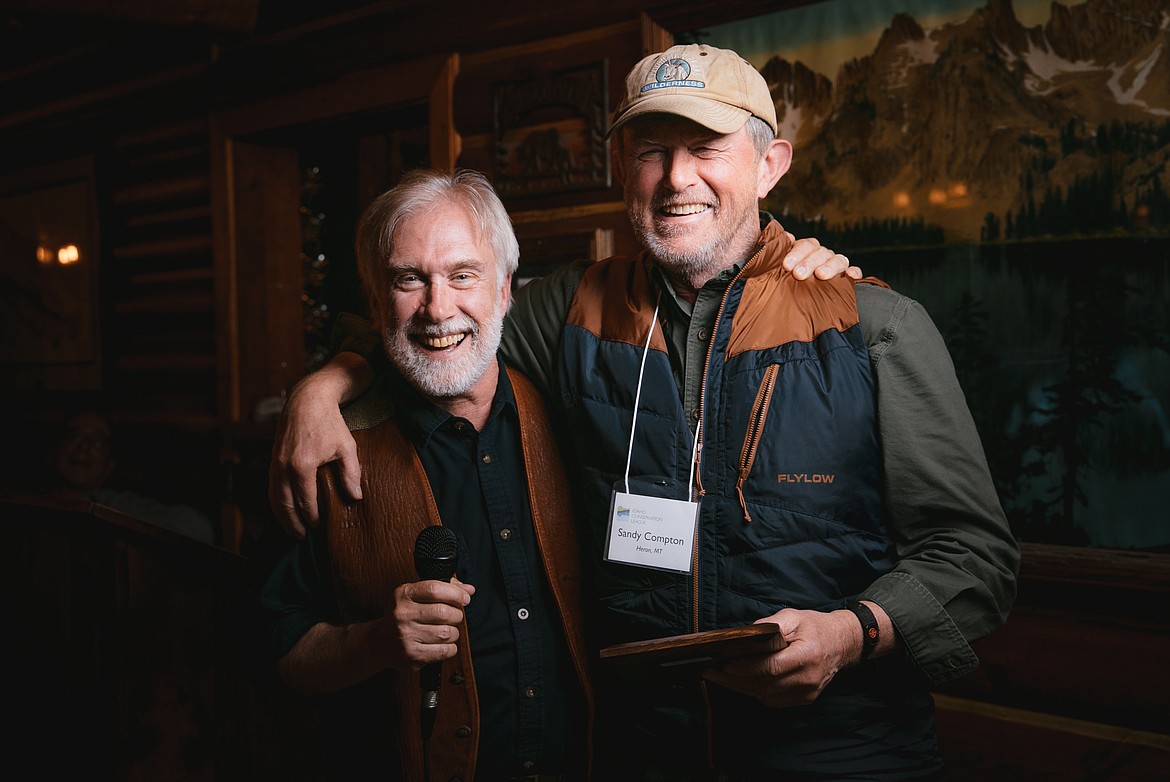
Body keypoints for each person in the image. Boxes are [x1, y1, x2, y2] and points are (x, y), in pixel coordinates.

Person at [269, 44, 1019, 780]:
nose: (675, 178)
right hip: (642, 752)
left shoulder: (873, 325)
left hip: (842, 754)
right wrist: (323, 387)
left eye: (704, 148)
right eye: (651, 151)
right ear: (623, 169)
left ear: (770, 165)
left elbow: (975, 560)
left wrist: (852, 633)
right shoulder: (568, 312)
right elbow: (440, 332)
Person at [259, 169, 596, 782]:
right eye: (408, 279)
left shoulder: (568, 409)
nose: (437, 309)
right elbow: (279, 654)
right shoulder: (327, 452)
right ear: (374, 300)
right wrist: (375, 643)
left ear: (504, 291)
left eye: (462, 275)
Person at [47, 409, 216, 545]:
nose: (83, 446)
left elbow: (197, 528)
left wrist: (85, 504)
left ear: (109, 465)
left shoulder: (122, 505)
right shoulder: (29, 496)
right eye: (74, 436)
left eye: (98, 442)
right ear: (53, 452)